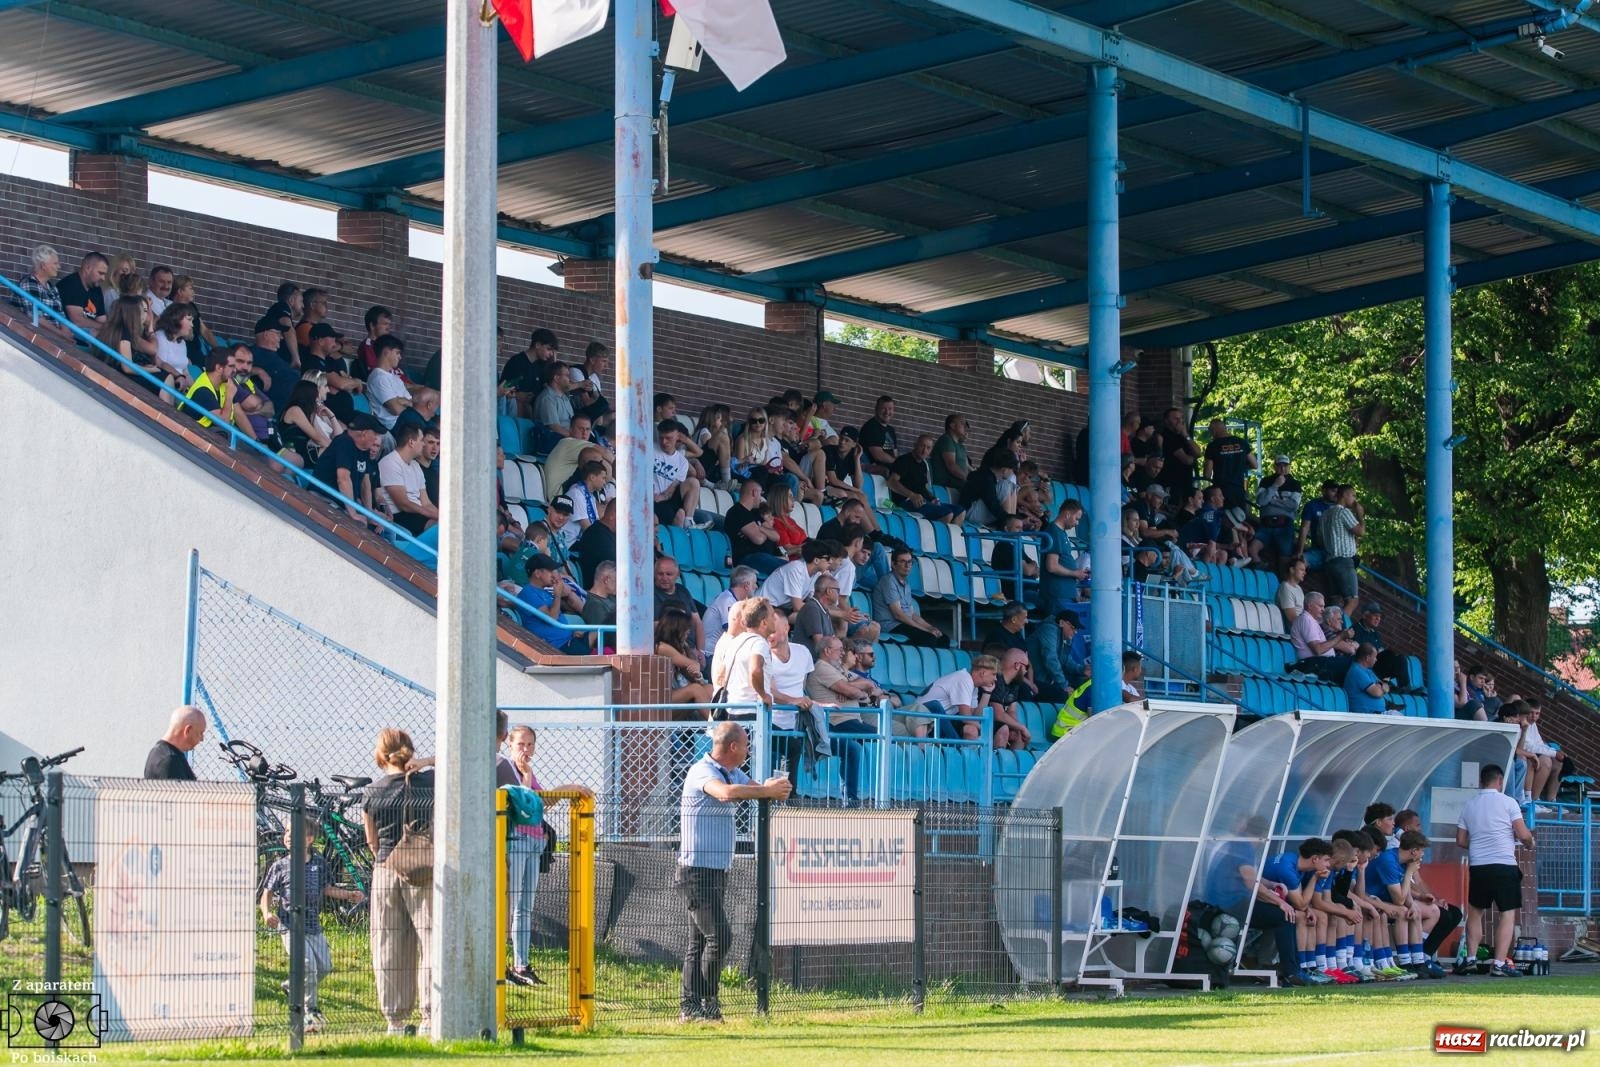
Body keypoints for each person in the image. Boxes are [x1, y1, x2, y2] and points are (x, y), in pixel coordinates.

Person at [676, 722, 792, 1022]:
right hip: (696, 872)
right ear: (732, 747)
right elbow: (725, 794)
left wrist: (771, 788)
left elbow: (751, 788)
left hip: (716, 871)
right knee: (720, 937)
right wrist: (764, 791)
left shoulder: (731, 771)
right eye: (745, 746)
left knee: (699, 942)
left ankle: (692, 1007)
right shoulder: (703, 772)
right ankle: (703, 1003)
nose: (748, 751)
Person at [498, 723, 591, 987]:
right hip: (516, 841)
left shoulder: (529, 771)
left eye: (530, 745)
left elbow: (541, 806)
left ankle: (522, 964)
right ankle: (506, 964)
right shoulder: (507, 770)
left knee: (525, 906)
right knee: (512, 904)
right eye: (520, 744)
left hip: (535, 841)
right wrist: (528, 781)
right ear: (510, 745)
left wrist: (566, 788)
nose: (525, 750)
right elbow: (524, 803)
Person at [260, 824, 365, 1032]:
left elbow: (327, 889)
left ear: (309, 839)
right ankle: (311, 1011)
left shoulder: (319, 863)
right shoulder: (280, 866)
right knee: (307, 964)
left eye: (294, 832)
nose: (288, 836)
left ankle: (291, 985)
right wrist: (266, 913)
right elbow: (267, 894)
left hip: (313, 924)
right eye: (287, 832)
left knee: (324, 967)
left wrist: (349, 895)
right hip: (289, 924)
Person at [363, 727, 433, 1036]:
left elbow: (372, 841)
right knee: (430, 941)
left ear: (380, 755)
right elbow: (460, 763)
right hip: (423, 869)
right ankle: (431, 1015)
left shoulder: (372, 792)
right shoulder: (429, 784)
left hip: (386, 868)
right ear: (410, 751)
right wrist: (428, 761)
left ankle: (396, 1020)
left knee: (388, 943)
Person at [1455, 764, 1535, 978]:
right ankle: (1499, 964)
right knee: (1507, 914)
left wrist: (1480, 842)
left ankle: (1471, 960)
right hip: (1504, 865)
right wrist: (1529, 843)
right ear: (1500, 781)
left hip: (1479, 865)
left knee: (1475, 913)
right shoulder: (1509, 802)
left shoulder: (1470, 805)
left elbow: (1461, 840)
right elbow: (1522, 833)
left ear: (1482, 781)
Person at [873, 548, 945, 647]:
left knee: (943, 639)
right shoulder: (888, 581)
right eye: (903, 562)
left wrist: (931, 628)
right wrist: (924, 630)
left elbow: (912, 614)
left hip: (903, 624)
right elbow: (898, 614)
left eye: (910, 562)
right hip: (891, 625)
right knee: (929, 638)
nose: (907, 566)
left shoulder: (906, 584)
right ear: (893, 564)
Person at [917, 656, 999, 742]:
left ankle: (964, 753)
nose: (995, 678)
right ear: (983, 673)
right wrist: (986, 730)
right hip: (925, 720)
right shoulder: (964, 679)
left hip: (941, 719)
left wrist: (987, 693)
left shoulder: (973, 686)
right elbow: (965, 717)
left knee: (971, 730)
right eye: (994, 674)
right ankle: (958, 751)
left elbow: (974, 717)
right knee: (969, 732)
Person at [378, 424, 440, 535]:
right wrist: (432, 515)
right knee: (440, 530)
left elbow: (426, 503)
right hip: (400, 515)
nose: (424, 444)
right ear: (411, 442)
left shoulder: (415, 465)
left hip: (418, 514)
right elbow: (403, 503)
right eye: (421, 440)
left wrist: (443, 517)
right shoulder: (390, 462)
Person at [1318, 485, 1365, 615]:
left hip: (1329, 562)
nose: (1355, 499)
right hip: (1344, 562)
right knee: (1352, 600)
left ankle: (1330, 631)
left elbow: (1320, 539)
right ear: (1345, 495)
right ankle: (1341, 631)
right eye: (1353, 495)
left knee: (1335, 601)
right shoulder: (1344, 512)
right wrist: (1360, 515)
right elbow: (1361, 532)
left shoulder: (1325, 514)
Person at [1038, 500, 1088, 613]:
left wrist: (1073, 592)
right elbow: (1052, 566)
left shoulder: (1062, 533)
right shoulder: (1054, 532)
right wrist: (1075, 573)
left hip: (1065, 595)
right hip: (1057, 596)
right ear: (1067, 514)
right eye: (1077, 519)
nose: (1077, 523)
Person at [702, 566, 758, 662]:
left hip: (720, 655)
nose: (756, 586)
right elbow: (735, 631)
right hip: (711, 656)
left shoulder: (732, 599)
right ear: (746, 585)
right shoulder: (727, 601)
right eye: (754, 583)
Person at [1030, 609, 1086, 702]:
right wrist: (1064, 685)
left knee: (1082, 681)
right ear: (1061, 623)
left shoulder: (1064, 636)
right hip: (1036, 680)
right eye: (1073, 627)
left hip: (1048, 679)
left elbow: (1066, 660)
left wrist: (1082, 669)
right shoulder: (1049, 629)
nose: (1075, 632)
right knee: (1063, 695)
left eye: (1077, 629)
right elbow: (1050, 660)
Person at [658, 609, 712, 704]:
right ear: (675, 629)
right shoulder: (662, 647)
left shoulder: (679, 647)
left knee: (709, 688)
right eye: (686, 628)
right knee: (695, 689)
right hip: (661, 699)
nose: (688, 632)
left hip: (675, 695)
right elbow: (691, 663)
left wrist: (698, 676)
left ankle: (720, 717)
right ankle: (712, 719)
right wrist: (687, 650)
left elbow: (693, 673)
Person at [1202, 419, 1256, 508]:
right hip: (1240, 488)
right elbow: (1255, 465)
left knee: (1224, 518)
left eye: (1210, 431)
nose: (1211, 434)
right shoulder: (1241, 442)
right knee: (1239, 517)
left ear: (1214, 430)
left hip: (1221, 492)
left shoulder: (1212, 446)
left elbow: (1207, 474)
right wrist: (1241, 467)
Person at [143, 705, 206, 779]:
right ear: (188, 730)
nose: (202, 738)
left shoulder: (158, 752)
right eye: (200, 733)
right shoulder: (170, 761)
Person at [1342, 643, 1391, 714]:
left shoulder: (1368, 671)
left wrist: (1380, 687)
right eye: (1375, 657)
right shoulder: (1356, 671)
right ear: (1367, 658)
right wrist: (1381, 688)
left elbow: (1385, 685)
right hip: (1365, 715)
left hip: (1377, 714)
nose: (1376, 660)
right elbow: (1377, 692)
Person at [858, 395, 899, 473]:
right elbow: (878, 455)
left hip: (889, 465)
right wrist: (896, 463)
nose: (887, 412)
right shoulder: (871, 427)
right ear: (876, 409)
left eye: (890, 409)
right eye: (884, 408)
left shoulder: (891, 430)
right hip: (872, 466)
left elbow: (895, 453)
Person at [933, 413, 971, 489]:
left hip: (959, 483)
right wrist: (969, 479)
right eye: (962, 423)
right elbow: (951, 466)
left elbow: (968, 466)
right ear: (952, 426)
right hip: (948, 484)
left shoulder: (960, 445)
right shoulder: (947, 440)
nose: (965, 427)